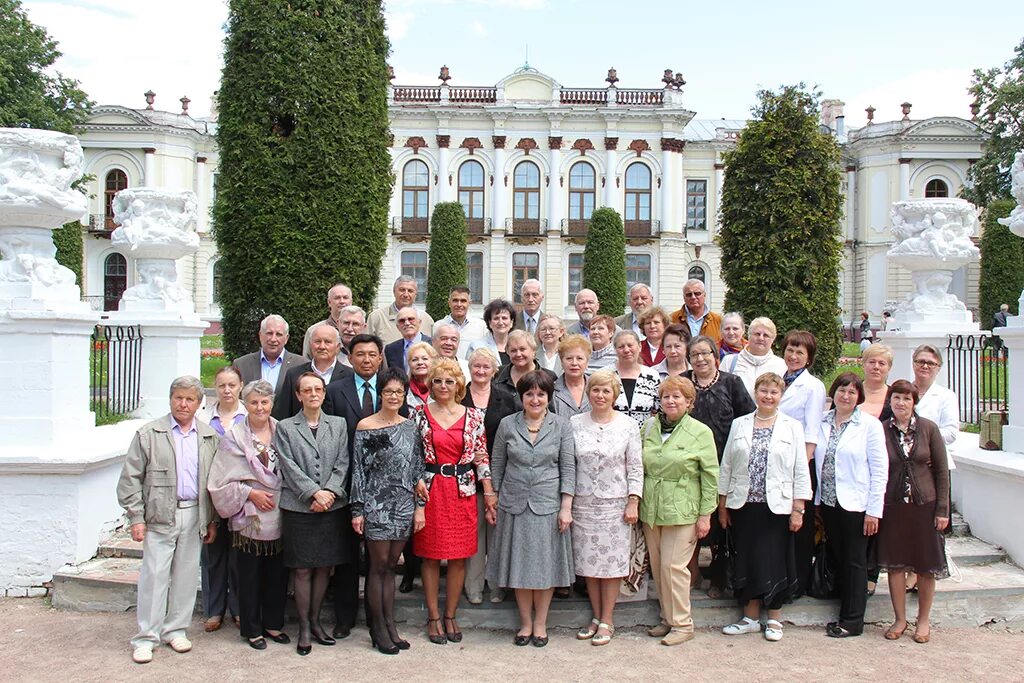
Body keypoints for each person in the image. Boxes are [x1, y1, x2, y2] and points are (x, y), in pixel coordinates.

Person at [117, 376, 219, 664]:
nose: (183, 404)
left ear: (199, 404)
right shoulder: (149, 434)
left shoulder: (208, 436)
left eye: (190, 399)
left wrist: (211, 520)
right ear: (170, 399)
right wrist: (136, 516)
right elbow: (130, 479)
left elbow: (212, 480)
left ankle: (176, 629)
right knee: (154, 575)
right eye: (178, 398)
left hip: (194, 514)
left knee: (187, 575)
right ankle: (146, 636)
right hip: (161, 514)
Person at [718, 373, 812, 642]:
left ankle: (774, 618)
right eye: (763, 391)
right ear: (755, 392)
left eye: (774, 392)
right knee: (746, 558)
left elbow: (800, 469)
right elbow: (727, 466)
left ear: (780, 396)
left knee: (774, 560)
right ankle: (749, 617)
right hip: (744, 504)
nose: (768, 396)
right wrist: (723, 505)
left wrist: (798, 508)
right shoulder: (739, 424)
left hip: (778, 507)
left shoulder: (791, 427)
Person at [489, 371, 577, 647]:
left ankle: (541, 623)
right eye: (530, 394)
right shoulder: (507, 425)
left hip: (548, 505)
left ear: (549, 397)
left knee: (544, 567)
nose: (535, 399)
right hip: (514, 505)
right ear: (521, 397)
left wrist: (566, 507)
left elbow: (568, 467)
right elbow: (497, 465)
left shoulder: (562, 426)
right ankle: (525, 623)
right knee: (520, 567)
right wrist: (494, 498)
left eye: (541, 394)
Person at [413, 359, 493, 645]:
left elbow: (481, 457)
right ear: (430, 385)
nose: (443, 386)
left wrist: (490, 493)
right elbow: (412, 456)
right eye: (437, 381)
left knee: (459, 557)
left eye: (449, 381)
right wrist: (416, 485)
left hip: (463, 492)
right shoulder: (419, 414)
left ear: (459, 385)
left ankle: (451, 615)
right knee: (431, 556)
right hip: (431, 492)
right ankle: (433, 617)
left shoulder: (473, 416)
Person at [207, 379, 289, 650]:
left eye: (264, 402)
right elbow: (220, 479)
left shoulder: (283, 431)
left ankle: (274, 625)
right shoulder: (234, 437)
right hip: (249, 518)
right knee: (249, 576)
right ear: (246, 403)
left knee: (277, 575)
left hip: (279, 513)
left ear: (271, 404)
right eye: (253, 402)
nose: (259, 407)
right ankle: (252, 629)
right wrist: (249, 494)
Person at [351, 367, 427, 655]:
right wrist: (357, 509)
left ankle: (391, 625)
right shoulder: (366, 426)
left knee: (392, 567)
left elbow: (417, 466)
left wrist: (419, 504)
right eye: (388, 391)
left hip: (404, 504)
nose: (394, 396)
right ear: (379, 393)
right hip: (376, 504)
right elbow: (358, 471)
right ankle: (378, 629)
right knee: (378, 567)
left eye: (399, 391)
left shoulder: (410, 426)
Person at [273, 372, 351, 655]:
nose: (313, 394)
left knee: (323, 566)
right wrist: (313, 493)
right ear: (298, 395)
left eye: (318, 389)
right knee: (303, 568)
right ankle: (304, 626)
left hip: (332, 506)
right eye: (307, 390)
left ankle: (317, 621)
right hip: (299, 506)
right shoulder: (285, 427)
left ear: (324, 392)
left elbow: (343, 461)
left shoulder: (338, 424)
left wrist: (329, 491)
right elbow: (288, 465)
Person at [322, 333, 394, 639]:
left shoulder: (391, 391)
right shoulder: (335, 391)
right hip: (348, 480)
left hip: (387, 487)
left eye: (372, 354)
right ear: (349, 359)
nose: (366, 359)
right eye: (360, 354)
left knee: (382, 558)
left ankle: (379, 617)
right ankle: (345, 617)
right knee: (349, 552)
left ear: (380, 358)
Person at [639, 376, 718, 646]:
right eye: (666, 397)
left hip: (683, 507)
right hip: (651, 507)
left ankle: (683, 624)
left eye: (677, 397)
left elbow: (710, 475)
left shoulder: (700, 431)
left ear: (689, 402)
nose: (670, 401)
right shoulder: (649, 427)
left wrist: (706, 514)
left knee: (675, 567)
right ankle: (667, 619)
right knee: (660, 568)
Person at [570, 371, 643, 646]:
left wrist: (633, 499)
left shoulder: (628, 425)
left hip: (616, 503)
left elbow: (635, 465)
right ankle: (595, 616)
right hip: (583, 502)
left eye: (606, 391)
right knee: (589, 564)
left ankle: (608, 619)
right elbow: (569, 463)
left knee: (612, 565)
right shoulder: (575, 423)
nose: (600, 395)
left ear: (614, 395)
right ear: (589, 393)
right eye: (595, 390)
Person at [814, 373, 888, 638]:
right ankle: (843, 608)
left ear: (859, 397)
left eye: (852, 393)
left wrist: (873, 511)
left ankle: (852, 621)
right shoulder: (822, 421)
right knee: (840, 557)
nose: (846, 396)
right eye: (842, 391)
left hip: (857, 505)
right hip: (829, 503)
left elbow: (880, 470)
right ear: (834, 393)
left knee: (855, 562)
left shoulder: (869, 425)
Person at [877, 380, 950, 644]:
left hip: (924, 505)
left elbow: (941, 471)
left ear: (914, 402)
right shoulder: (881, 430)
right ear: (890, 401)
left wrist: (942, 509)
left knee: (926, 565)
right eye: (896, 398)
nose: (901, 403)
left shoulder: (929, 429)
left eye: (907, 399)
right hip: (893, 505)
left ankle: (923, 620)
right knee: (895, 565)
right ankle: (899, 619)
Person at [682, 334, 755, 595]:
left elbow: (748, 420)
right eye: (694, 355)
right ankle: (692, 574)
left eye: (705, 353)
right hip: (687, 467)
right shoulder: (681, 382)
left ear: (716, 356)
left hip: (725, 464)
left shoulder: (731, 383)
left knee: (721, 522)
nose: (700, 359)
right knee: (690, 521)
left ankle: (720, 576)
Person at [462, 347, 519, 605]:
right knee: (474, 531)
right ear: (470, 368)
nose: (481, 371)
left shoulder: (507, 397)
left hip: (499, 472)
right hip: (465, 474)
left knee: (496, 531)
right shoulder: (458, 394)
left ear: (494, 370)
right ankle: (473, 585)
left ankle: (496, 585)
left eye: (486, 367)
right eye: (477, 366)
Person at [777, 330, 827, 598]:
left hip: (799, 463)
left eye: (800, 353)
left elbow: (812, 430)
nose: (793, 356)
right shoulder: (781, 380)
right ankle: (782, 578)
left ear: (808, 359)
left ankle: (797, 583)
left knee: (800, 525)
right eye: (790, 350)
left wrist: (803, 466)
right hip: (778, 461)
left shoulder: (812, 386)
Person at [196, 366, 246, 632]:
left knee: (239, 554)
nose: (227, 390)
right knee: (212, 553)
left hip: (241, 495)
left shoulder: (249, 415)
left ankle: (238, 608)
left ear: (241, 386)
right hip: (211, 493)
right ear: (215, 388)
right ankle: (214, 610)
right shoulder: (203, 417)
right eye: (222, 385)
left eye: (232, 385)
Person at [274, 324, 352, 421]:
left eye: (327, 342)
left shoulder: (350, 376)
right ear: (311, 345)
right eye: (317, 341)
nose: (322, 346)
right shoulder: (293, 375)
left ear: (338, 347)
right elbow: (283, 415)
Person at [233, 314, 304, 396]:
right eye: (269, 333)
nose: (273, 339)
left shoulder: (301, 365)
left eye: (279, 334)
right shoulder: (241, 365)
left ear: (286, 338)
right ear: (260, 335)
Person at [721, 316, 787, 397]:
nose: (761, 338)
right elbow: (720, 393)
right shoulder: (729, 362)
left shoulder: (782, 365)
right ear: (749, 336)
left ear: (773, 339)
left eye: (766, 335)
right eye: (757, 334)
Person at [611, 330, 661, 428]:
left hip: (644, 438)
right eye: (621, 347)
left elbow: (658, 410)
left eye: (630, 345)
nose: (626, 350)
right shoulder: (606, 374)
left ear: (639, 347)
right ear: (615, 350)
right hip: (612, 436)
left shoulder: (652, 376)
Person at [367, 275, 435, 345]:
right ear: (394, 291)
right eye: (402, 290)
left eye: (410, 291)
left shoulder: (426, 320)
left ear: (415, 295)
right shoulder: (377, 318)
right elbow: (367, 347)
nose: (406, 294)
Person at [493, 329, 556, 404]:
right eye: (513, 350)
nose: (518, 354)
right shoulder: (497, 373)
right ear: (507, 352)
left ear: (533, 350)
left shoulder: (549, 377)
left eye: (522, 349)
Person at [301, 283, 353, 358]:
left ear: (351, 301)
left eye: (345, 297)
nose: (342, 301)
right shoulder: (314, 330)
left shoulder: (362, 330)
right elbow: (307, 361)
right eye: (337, 298)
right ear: (329, 302)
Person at [436, 285, 487, 357]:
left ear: (469, 303)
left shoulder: (481, 326)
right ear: (449, 303)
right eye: (455, 300)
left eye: (463, 301)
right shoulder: (438, 326)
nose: (459, 304)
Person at [670, 279, 722, 343]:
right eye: (689, 294)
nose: (693, 297)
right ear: (684, 297)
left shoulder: (718, 321)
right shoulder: (672, 320)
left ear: (704, 295)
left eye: (697, 293)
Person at [552, 334, 592, 418]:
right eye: (569, 358)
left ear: (587, 362)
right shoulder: (552, 390)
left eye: (579, 358)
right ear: (562, 362)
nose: (574, 363)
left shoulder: (596, 387)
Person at [468, 298, 515, 366]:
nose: (500, 322)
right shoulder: (476, 347)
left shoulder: (518, 347)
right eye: (496, 318)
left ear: (511, 322)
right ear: (489, 323)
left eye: (504, 318)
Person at [384, 307, 431, 372]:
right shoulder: (391, 349)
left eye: (411, 319)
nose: (407, 323)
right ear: (398, 327)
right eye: (402, 321)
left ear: (419, 322)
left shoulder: (433, 345)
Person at [860, 343, 894, 419]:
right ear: (863, 364)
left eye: (881, 363)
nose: (876, 367)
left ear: (889, 367)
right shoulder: (850, 391)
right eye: (872, 362)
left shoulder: (894, 396)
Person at [405, 341, 437, 410]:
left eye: (425, 359)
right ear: (409, 364)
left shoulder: (441, 387)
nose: (420, 362)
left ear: (433, 362)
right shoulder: (403, 389)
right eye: (414, 360)